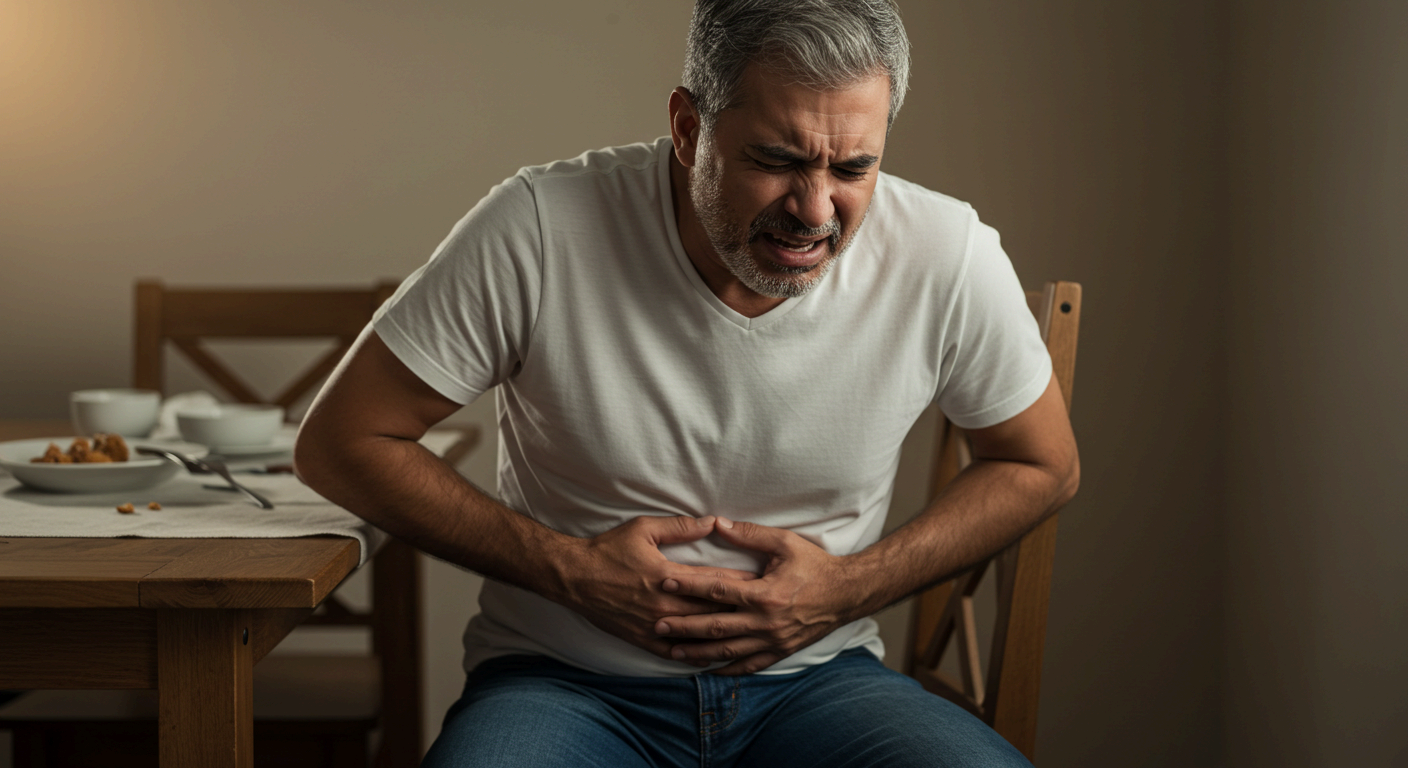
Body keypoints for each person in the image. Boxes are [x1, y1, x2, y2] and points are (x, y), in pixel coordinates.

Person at [295, 1, 1079, 765]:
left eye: (854, 167)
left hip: (822, 685)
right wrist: (570, 572)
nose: (815, 211)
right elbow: (342, 442)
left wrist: (847, 590)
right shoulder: (539, 223)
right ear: (688, 128)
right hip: (565, 686)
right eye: (776, 160)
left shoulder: (948, 250)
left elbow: (1041, 462)